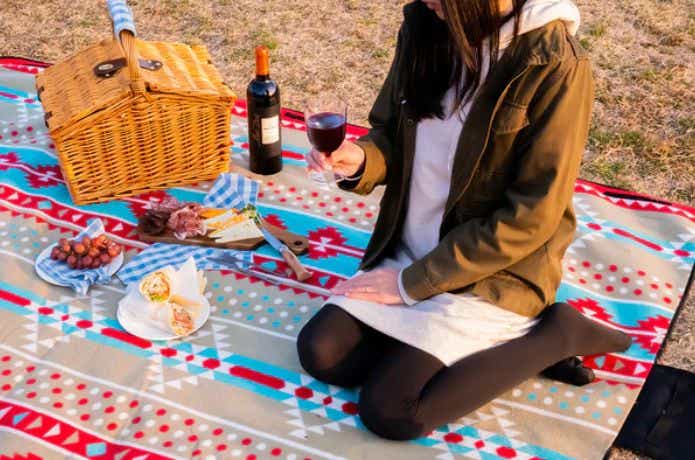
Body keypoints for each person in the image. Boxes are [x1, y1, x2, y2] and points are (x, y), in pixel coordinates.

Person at [298, 0, 632, 441]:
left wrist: (411, 284)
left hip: (493, 272)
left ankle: (556, 335)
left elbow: (533, 214)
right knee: (321, 353)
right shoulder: (425, 22)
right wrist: (359, 159)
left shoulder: (554, 63)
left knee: (393, 410)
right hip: (411, 250)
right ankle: (426, 338)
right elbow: (392, 132)